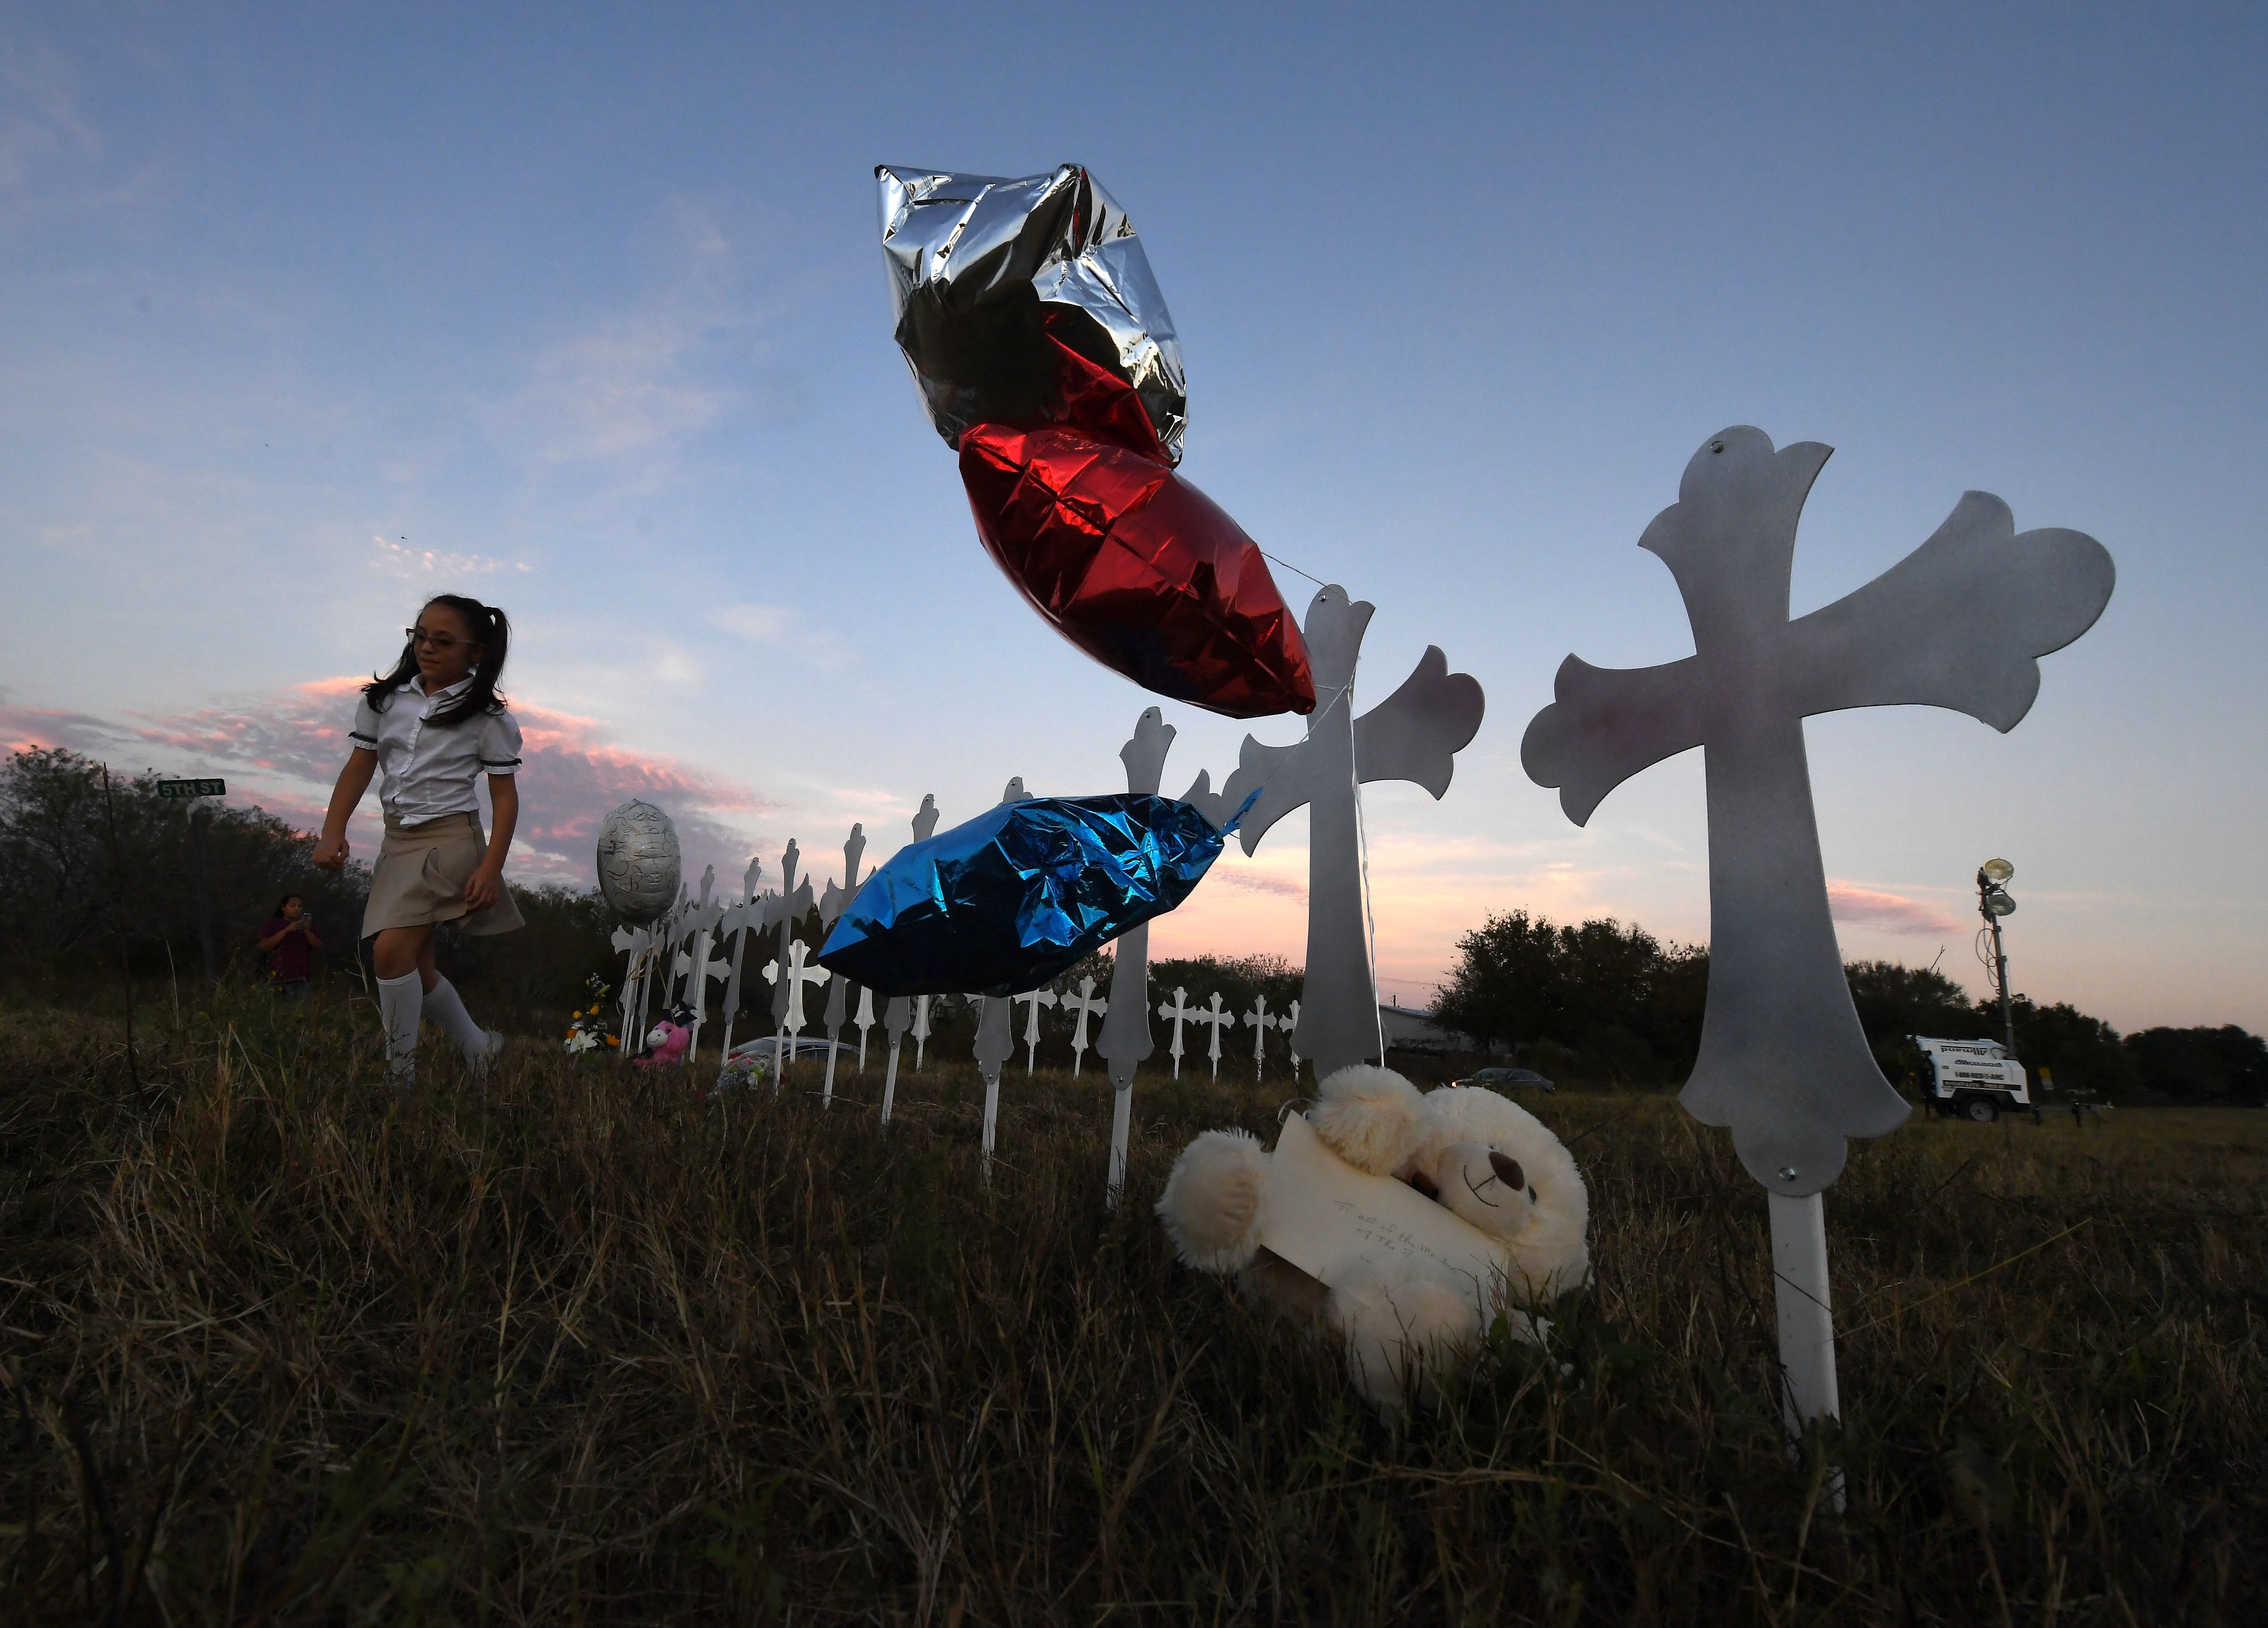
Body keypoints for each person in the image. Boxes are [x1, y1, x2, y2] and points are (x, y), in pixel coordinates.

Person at [312, 594, 525, 1084]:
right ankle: (477, 1046)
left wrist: (491, 868)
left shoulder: (489, 720)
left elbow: (506, 800)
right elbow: (359, 767)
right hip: (398, 840)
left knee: (388, 953)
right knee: (416, 966)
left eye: (444, 641)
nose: (428, 648)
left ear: (477, 652)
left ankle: (399, 1079)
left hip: (450, 841)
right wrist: (332, 831)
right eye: (421, 636)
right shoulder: (383, 701)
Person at [255, 893, 322, 1001]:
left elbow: (319, 947)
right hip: (274, 978)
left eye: (300, 907)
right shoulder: (273, 924)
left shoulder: (308, 927)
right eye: (292, 906)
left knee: (296, 1013)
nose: (296, 909)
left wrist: (307, 931)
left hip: (299, 980)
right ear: (283, 908)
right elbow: (263, 946)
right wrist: (286, 930)